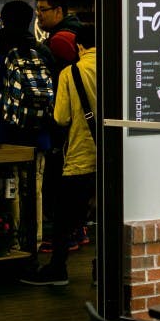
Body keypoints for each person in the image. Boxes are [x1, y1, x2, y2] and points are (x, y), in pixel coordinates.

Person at [21, 23, 97, 286]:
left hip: (81, 155)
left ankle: (57, 269)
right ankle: (104, 270)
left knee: (65, 217)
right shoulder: (116, 66)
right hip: (112, 157)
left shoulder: (71, 72)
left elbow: (61, 117)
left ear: (79, 46)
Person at [0, 0, 55, 149]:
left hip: (0, 130)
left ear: (3, 20)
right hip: (37, 130)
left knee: (2, 169)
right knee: (35, 170)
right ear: (29, 21)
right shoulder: (43, 52)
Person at [34, 0, 84, 248]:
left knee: (59, 179)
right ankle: (76, 231)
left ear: (59, 11)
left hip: (65, 121)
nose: (38, 14)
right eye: (37, 9)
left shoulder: (60, 42)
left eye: (43, 9)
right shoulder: (73, 35)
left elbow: (58, 85)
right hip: (81, 122)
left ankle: (63, 236)